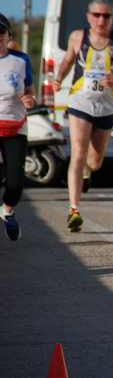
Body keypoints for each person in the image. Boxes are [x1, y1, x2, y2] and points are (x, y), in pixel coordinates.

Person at [53, 0, 113, 232]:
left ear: (112, 18)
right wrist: (59, 78)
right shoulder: (77, 37)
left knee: (95, 161)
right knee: (78, 153)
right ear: (88, 16)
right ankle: (74, 209)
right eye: (97, 15)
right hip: (81, 102)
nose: (101, 20)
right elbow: (67, 61)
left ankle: (88, 172)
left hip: (107, 106)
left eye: (107, 16)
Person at [0, 13, 35, 241]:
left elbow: (29, 91)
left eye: (0, 33)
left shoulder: (21, 60)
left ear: (8, 35)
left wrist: (29, 99)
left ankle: (8, 211)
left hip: (15, 127)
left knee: (15, 183)